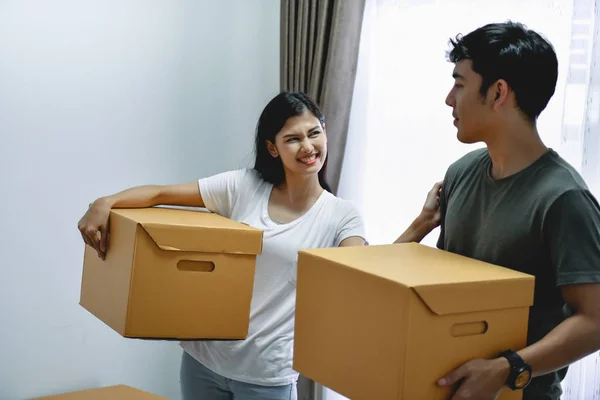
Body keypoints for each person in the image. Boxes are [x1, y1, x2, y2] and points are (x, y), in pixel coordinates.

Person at [78, 91, 442, 400]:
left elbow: (366, 276)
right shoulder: (244, 187)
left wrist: (421, 224)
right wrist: (104, 202)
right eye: (292, 139)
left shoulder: (341, 216)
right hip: (203, 361)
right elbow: (160, 194)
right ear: (272, 148)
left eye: (314, 133)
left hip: (267, 375)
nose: (308, 146)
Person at [433, 22, 600, 400]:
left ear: (498, 92)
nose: (449, 99)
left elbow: (595, 321)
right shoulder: (460, 174)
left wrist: (508, 369)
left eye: (459, 84)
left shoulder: (564, 198)